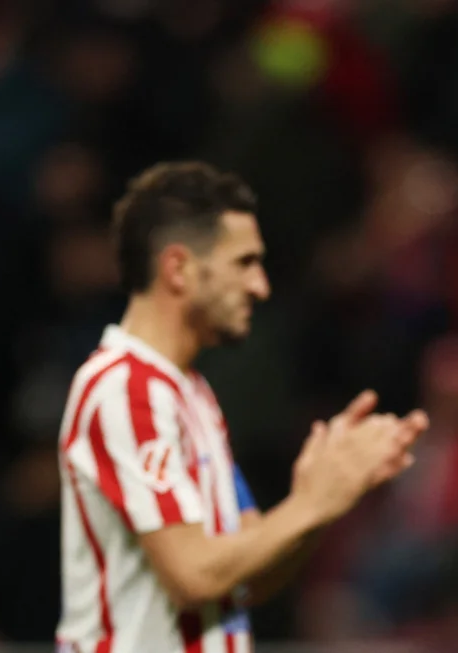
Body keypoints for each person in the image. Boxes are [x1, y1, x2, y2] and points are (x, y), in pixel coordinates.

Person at [55, 161, 428, 653]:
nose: (260, 286)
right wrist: (312, 502)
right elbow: (194, 575)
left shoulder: (192, 395)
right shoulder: (124, 387)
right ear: (178, 268)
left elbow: (246, 575)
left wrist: (326, 493)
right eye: (244, 263)